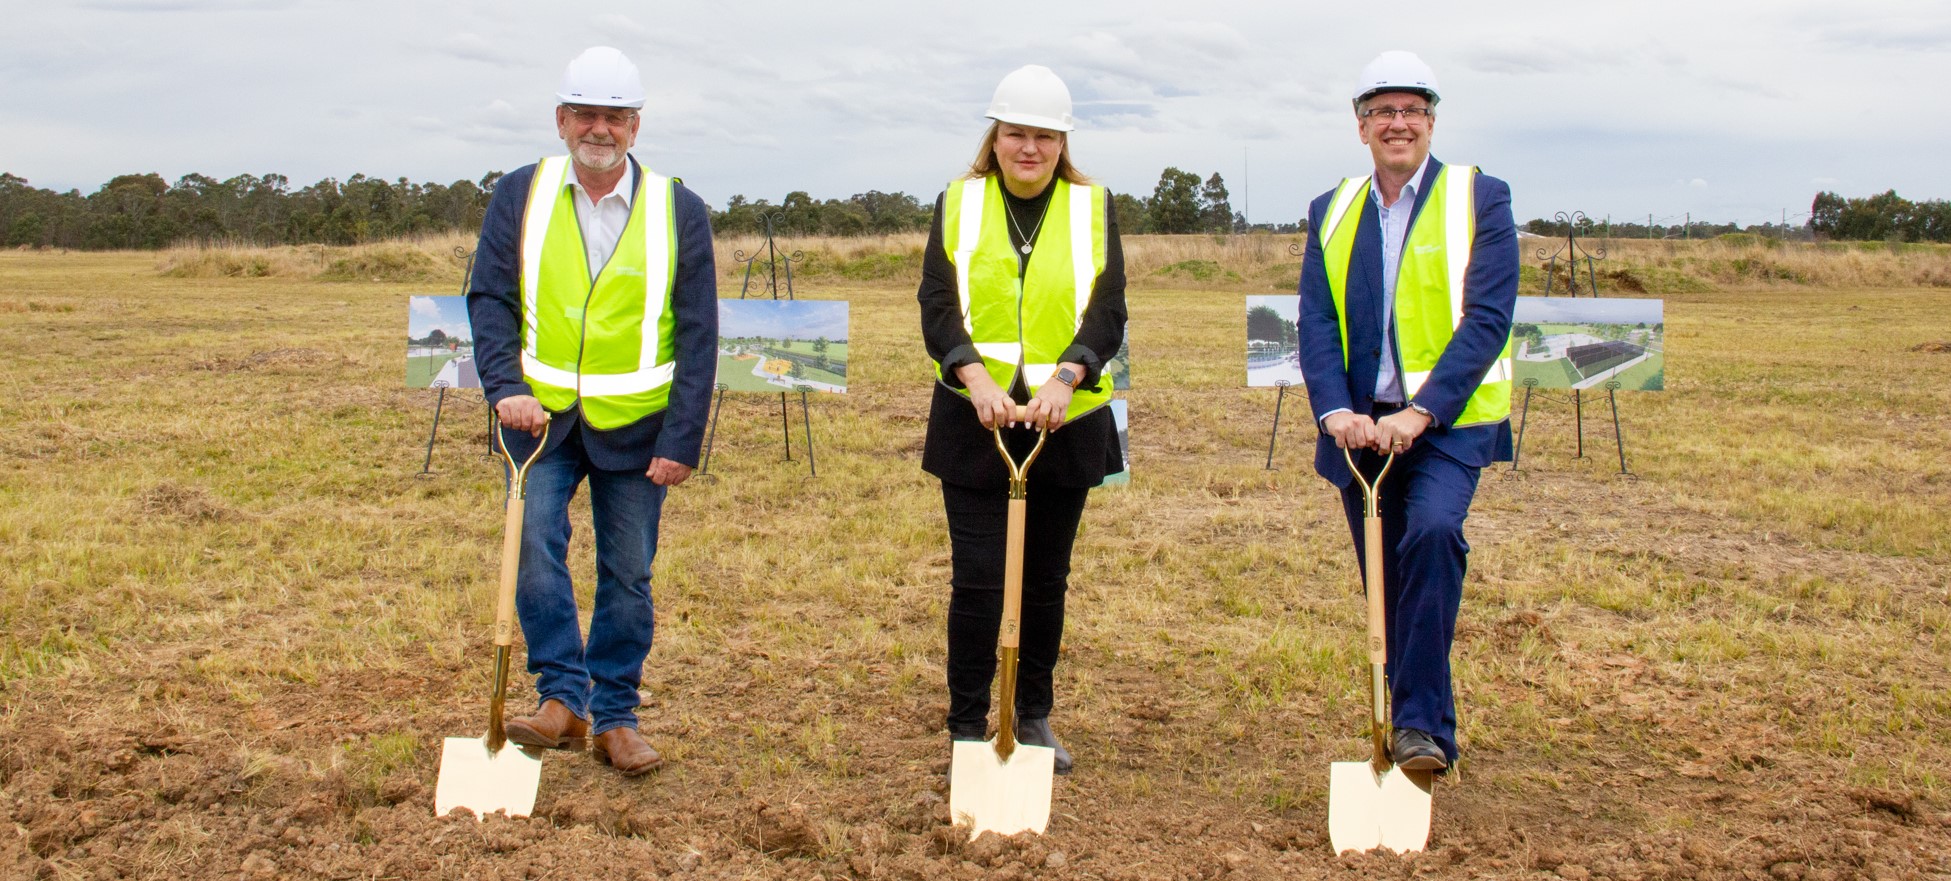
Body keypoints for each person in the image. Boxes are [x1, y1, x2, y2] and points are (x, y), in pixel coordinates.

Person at [465, 46, 717, 776]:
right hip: (535, 421)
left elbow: (698, 332)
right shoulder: (520, 192)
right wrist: (503, 385)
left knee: (628, 572)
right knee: (534, 553)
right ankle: (561, 699)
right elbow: (490, 298)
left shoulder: (679, 208)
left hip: (639, 429)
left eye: (614, 116)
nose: (598, 129)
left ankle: (615, 715)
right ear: (561, 120)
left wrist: (682, 438)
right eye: (585, 115)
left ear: (635, 127)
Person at [1297, 51, 1518, 772]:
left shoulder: (1478, 197)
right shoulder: (1330, 212)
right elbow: (1316, 324)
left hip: (1448, 426)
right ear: (1360, 128)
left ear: (1431, 122)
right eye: (1382, 112)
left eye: (1412, 110)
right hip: (1361, 431)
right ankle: (1410, 724)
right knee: (1386, 585)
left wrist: (1420, 413)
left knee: (1430, 535)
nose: (1398, 123)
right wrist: (1332, 410)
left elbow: (1486, 319)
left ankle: (1420, 727)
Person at [916, 64, 1127, 775]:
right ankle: (966, 724)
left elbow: (1108, 309)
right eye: (1015, 134)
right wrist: (969, 373)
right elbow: (937, 302)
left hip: (1063, 422)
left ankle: (1031, 712)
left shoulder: (1092, 207)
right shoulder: (957, 202)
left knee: (1043, 578)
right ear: (994, 138)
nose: (1028, 147)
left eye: (1043, 135)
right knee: (977, 578)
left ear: (1061, 141)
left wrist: (1070, 374)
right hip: (974, 421)